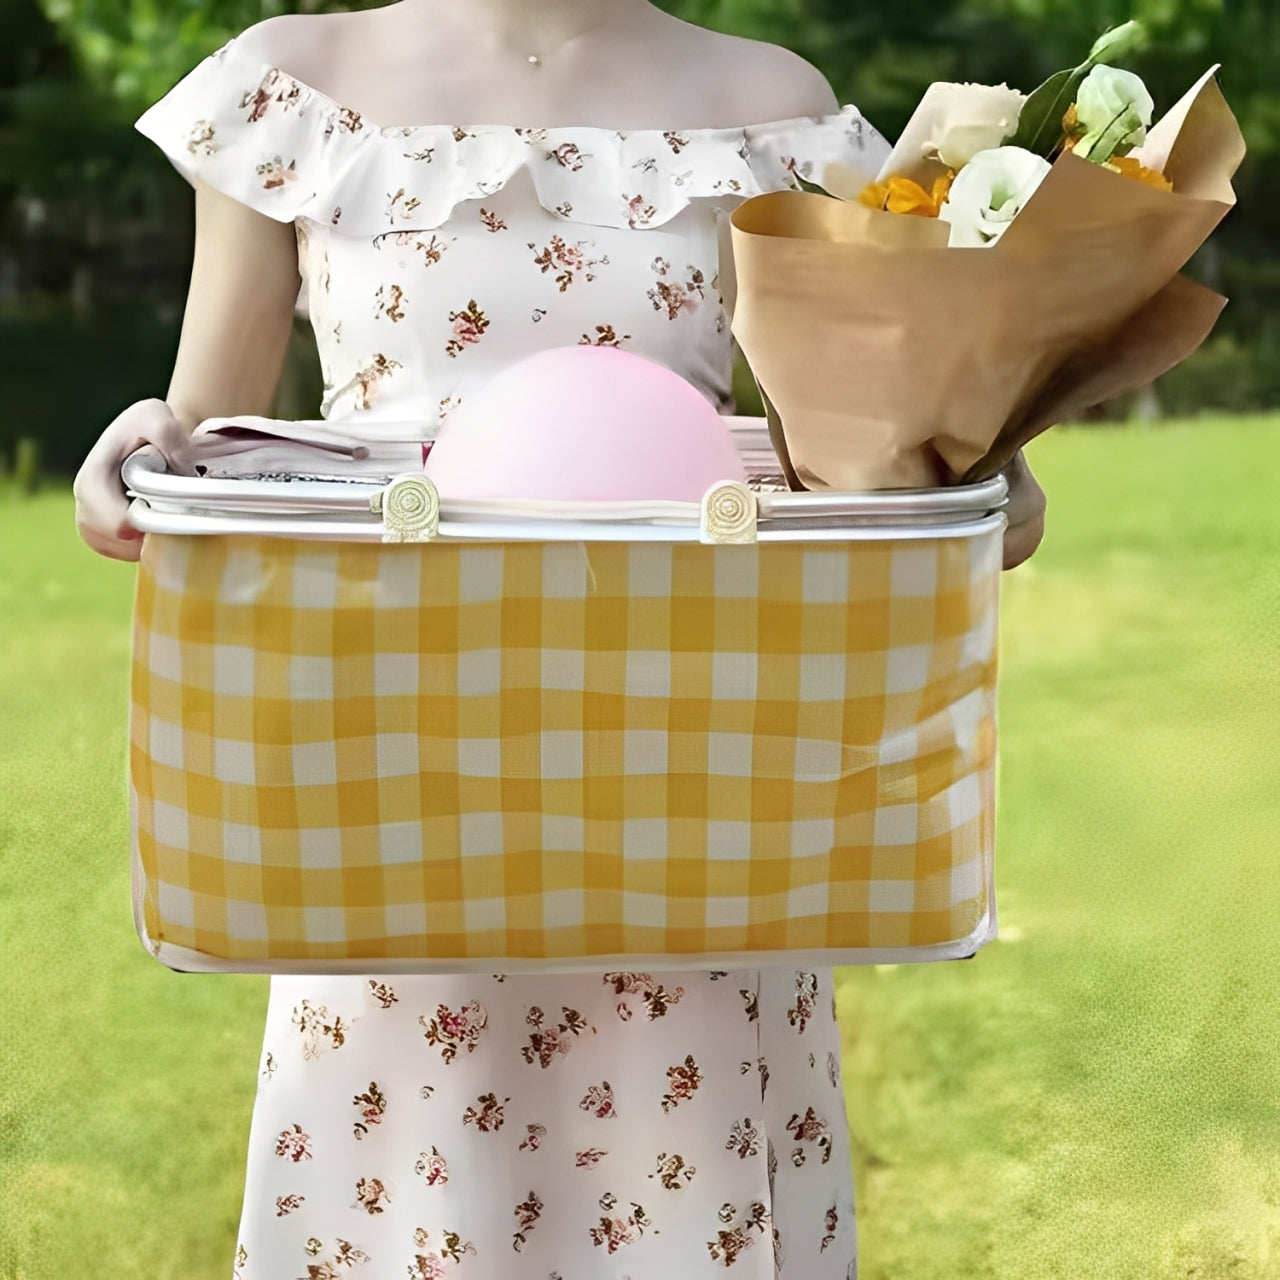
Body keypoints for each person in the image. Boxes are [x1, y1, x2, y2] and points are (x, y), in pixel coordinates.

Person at [74, 2, 1047, 1276]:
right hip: (400, 783)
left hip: (686, 791)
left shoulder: (768, 103)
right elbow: (217, 432)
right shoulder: (292, 87)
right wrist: (148, 441)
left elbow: (853, 444)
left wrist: (972, 465)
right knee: (417, 1187)